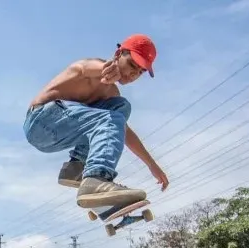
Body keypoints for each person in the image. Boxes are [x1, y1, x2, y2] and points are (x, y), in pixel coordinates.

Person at [23, 34, 169, 209]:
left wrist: (152, 165)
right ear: (118, 54)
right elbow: (84, 69)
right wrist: (105, 69)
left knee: (121, 108)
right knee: (113, 118)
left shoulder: (111, 94)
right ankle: (97, 179)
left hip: (58, 134)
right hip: (40, 121)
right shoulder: (88, 68)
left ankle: (77, 167)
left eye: (140, 72)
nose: (133, 74)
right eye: (131, 65)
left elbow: (122, 131)